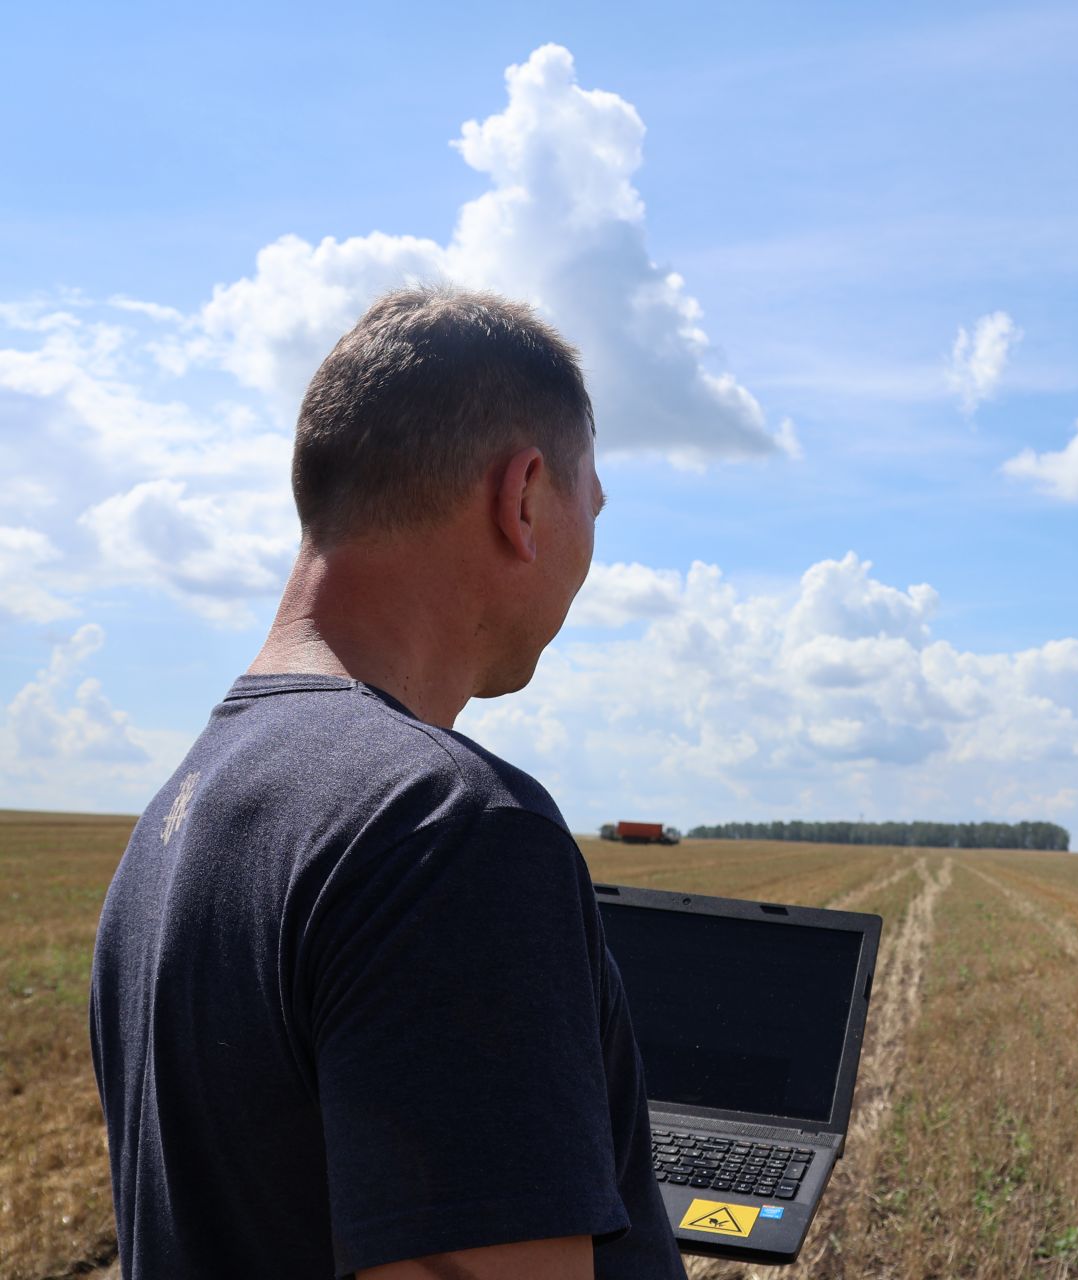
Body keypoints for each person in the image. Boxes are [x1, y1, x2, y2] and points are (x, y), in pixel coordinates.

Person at [89, 286, 687, 1279]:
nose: (593, 546)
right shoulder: (451, 829)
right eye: (594, 502)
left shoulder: (181, 810)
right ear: (525, 497)